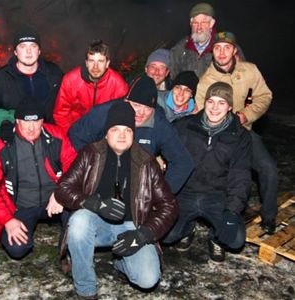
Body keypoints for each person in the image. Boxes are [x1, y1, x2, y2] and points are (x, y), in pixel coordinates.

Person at [55, 101, 178, 299]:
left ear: (133, 134)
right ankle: (85, 288)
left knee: (148, 279)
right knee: (78, 221)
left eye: (127, 130)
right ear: (106, 133)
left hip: (132, 227)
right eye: (115, 129)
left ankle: (121, 261)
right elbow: (63, 189)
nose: (122, 135)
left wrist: (144, 234)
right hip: (96, 224)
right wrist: (94, 204)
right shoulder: (90, 153)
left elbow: (169, 206)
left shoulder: (146, 162)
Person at [195, 32, 277, 234]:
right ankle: (215, 218)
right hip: (219, 136)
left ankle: (269, 218)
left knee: (269, 169)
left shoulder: (249, 70)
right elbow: (199, 113)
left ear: (234, 50)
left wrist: (246, 115)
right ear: (212, 52)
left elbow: (264, 96)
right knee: (224, 176)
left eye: (226, 47)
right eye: (217, 48)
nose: (222, 52)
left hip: (244, 131)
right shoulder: (206, 81)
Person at [163, 82, 251, 262]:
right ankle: (187, 229)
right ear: (204, 102)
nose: (215, 108)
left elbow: (240, 176)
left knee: (235, 240)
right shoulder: (184, 126)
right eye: (211, 101)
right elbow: (163, 149)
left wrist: (232, 212)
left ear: (230, 107)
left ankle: (215, 237)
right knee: (165, 235)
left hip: (217, 196)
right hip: (185, 193)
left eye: (222, 103)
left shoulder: (240, 136)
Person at [0, 97, 77, 261]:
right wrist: (7, 220)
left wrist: (61, 193)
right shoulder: (2, 146)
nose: (31, 127)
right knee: (17, 248)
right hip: (22, 205)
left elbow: (74, 167)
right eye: (26, 122)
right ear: (17, 121)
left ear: (42, 121)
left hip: (55, 200)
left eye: (36, 121)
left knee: (78, 225)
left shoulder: (56, 136)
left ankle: (69, 249)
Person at [68, 75, 193, 194]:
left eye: (148, 108)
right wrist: (92, 166)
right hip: (101, 176)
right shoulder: (105, 113)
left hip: (137, 184)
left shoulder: (159, 124)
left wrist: (159, 194)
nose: (141, 113)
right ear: (126, 100)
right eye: (137, 105)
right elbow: (76, 135)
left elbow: (183, 162)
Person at [0, 25, 63, 123]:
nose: (28, 51)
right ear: (15, 52)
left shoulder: (54, 73)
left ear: (39, 51)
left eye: (33, 46)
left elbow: (66, 107)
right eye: (23, 46)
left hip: (49, 133)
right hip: (14, 135)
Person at [53, 39, 128, 132]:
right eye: (92, 61)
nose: (95, 67)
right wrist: (71, 134)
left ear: (107, 63)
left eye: (100, 61)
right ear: (86, 63)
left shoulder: (118, 85)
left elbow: (121, 117)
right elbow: (60, 114)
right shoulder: (71, 80)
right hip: (76, 129)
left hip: (104, 132)